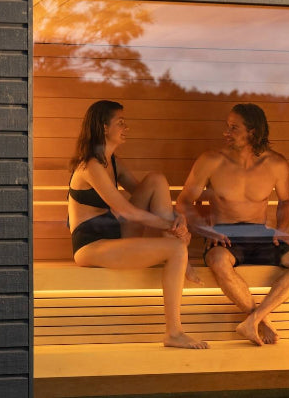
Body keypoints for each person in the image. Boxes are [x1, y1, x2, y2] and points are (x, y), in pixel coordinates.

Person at [67, 99, 208, 349]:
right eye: (120, 123)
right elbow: (127, 211)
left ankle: (177, 250)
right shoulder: (90, 165)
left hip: (115, 233)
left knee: (156, 180)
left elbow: (143, 194)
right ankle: (173, 332)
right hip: (91, 245)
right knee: (177, 249)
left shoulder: (113, 162)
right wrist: (171, 226)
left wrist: (177, 220)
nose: (126, 127)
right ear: (103, 128)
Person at [175, 103, 289, 346]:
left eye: (233, 128)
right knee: (219, 261)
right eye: (227, 127)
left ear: (252, 132)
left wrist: (282, 228)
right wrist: (205, 229)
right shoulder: (211, 161)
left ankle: (254, 320)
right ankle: (260, 321)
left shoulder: (275, 164)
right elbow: (184, 202)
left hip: (261, 234)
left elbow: (286, 200)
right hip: (224, 235)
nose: (226, 133)